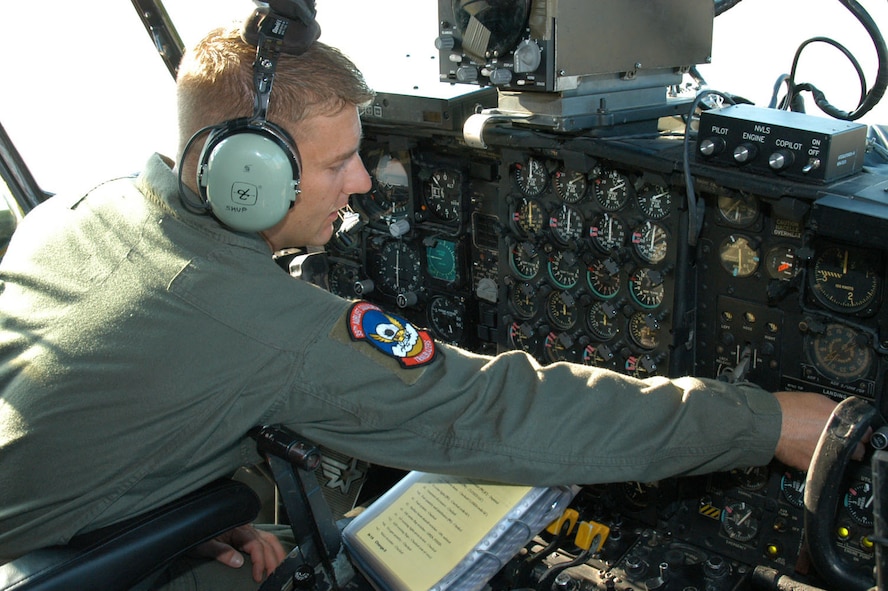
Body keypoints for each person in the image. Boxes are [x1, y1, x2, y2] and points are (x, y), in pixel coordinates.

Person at [0, 13, 841, 591]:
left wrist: (177, 514)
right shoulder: (251, 317)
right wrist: (772, 422)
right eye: (337, 166)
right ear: (245, 177)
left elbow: (82, 414)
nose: (362, 184)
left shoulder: (75, 213)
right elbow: (503, 410)